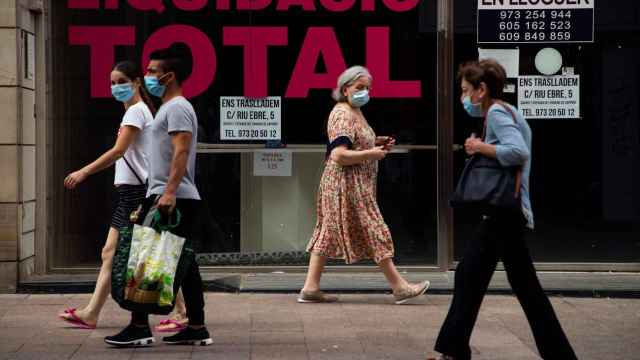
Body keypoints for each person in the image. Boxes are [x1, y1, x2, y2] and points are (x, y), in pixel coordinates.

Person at [434, 59, 577, 360]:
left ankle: (453, 349)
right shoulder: (506, 111)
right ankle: (559, 355)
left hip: (504, 213)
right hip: (509, 213)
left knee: (470, 275)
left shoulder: (497, 112)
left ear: (481, 89)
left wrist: (479, 147)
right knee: (521, 285)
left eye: (465, 91)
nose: (464, 98)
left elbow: (517, 152)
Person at [105, 44, 212, 347]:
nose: (148, 76)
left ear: (169, 75)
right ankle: (197, 327)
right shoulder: (168, 107)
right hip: (172, 194)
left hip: (172, 197)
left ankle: (139, 326)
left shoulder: (177, 107)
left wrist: (168, 192)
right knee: (186, 263)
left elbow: (181, 150)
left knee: (146, 259)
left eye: (153, 71)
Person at [299, 65, 430, 304]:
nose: (365, 92)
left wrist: (376, 142)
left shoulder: (354, 111)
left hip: (348, 183)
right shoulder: (343, 114)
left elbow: (354, 142)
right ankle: (399, 287)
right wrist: (371, 153)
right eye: (360, 87)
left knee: (327, 232)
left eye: (368, 88)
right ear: (345, 89)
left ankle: (310, 287)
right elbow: (339, 154)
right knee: (374, 229)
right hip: (347, 185)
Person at [57, 60, 167, 329]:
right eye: (113, 83)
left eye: (121, 82)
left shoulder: (135, 113)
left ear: (137, 83)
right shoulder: (137, 111)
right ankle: (91, 312)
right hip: (131, 194)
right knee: (112, 252)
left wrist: (84, 172)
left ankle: (184, 311)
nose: (116, 87)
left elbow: (118, 151)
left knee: (149, 254)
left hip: (136, 195)